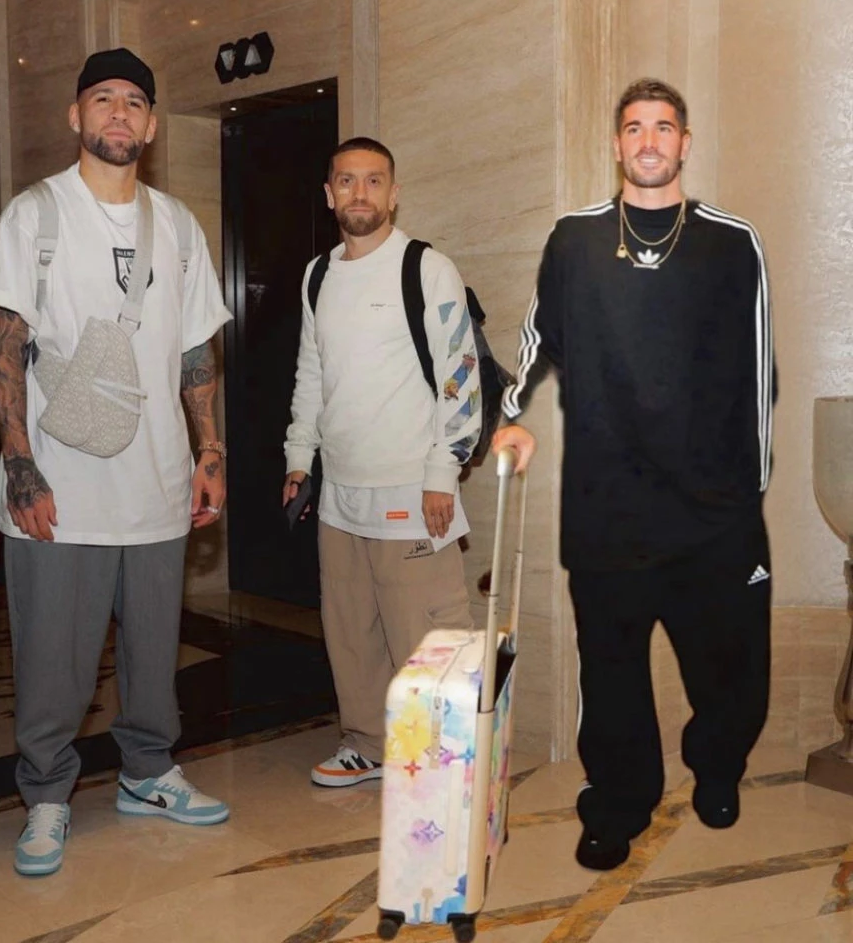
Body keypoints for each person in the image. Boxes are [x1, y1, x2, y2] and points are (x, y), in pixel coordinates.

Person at [493, 78, 776, 871]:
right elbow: (537, 336)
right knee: (611, 676)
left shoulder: (730, 241)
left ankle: (718, 768)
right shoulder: (574, 241)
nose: (648, 140)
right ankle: (617, 804)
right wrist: (510, 414)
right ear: (616, 144)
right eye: (633, 127)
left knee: (732, 667)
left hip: (712, 512)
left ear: (685, 142)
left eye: (663, 126)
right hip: (606, 507)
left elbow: (759, 369)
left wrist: (748, 492)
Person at [0, 47, 232, 877]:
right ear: (75, 116)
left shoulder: (178, 223)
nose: (118, 113)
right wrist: (20, 463)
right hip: (61, 485)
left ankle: (149, 774)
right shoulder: (37, 215)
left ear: (153, 125)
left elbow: (196, 349)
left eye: (133, 102)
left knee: (154, 654)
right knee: (54, 656)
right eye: (102, 99)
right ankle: (47, 796)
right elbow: (6, 344)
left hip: (158, 485)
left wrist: (209, 451)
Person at [283, 137, 482, 787]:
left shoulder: (425, 268)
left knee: (427, 639)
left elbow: (459, 377)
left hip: (413, 491)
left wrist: (441, 473)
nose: (360, 193)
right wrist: (298, 456)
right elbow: (312, 374)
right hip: (341, 497)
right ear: (329, 194)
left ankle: (442, 762)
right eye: (347, 181)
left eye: (373, 181)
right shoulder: (318, 276)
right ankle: (367, 744)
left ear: (394, 194)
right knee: (352, 633)